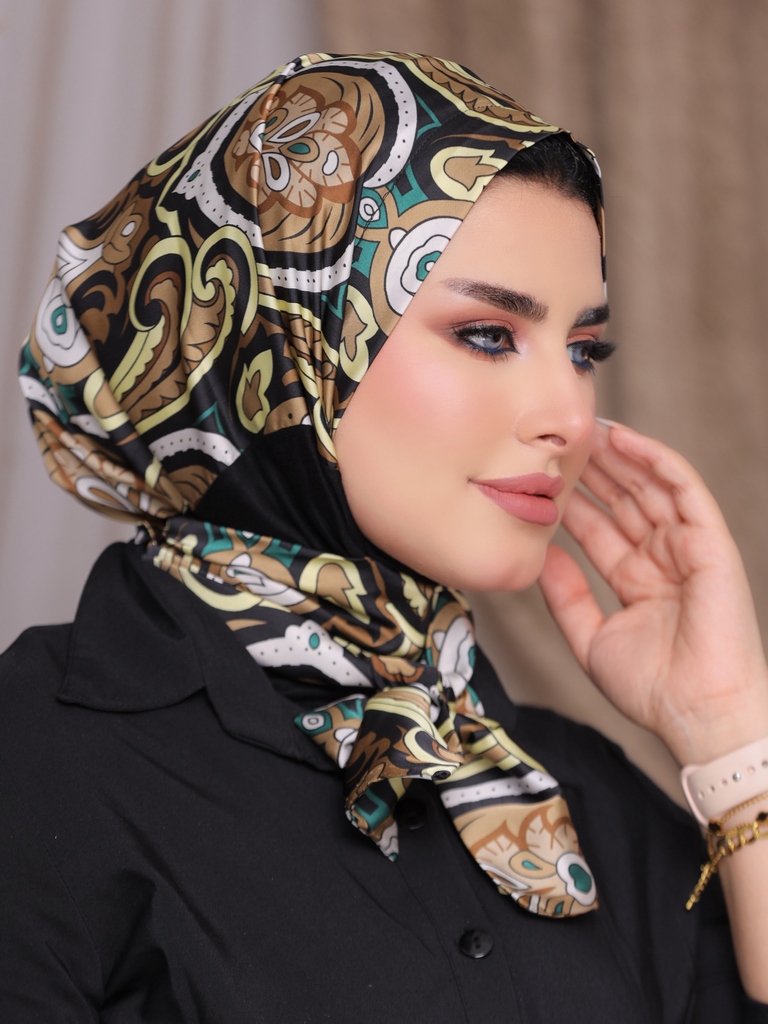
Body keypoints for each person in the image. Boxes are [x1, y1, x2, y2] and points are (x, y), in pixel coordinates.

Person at [2, 51, 767, 1022]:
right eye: (488, 334)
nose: (569, 417)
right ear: (286, 335)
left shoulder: (585, 792)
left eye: (584, 350)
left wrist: (730, 732)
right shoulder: (41, 761)